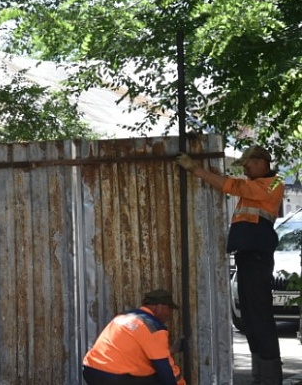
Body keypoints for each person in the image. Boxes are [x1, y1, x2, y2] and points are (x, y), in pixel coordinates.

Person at [176, 145, 284, 384]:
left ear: (262, 162)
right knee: (250, 316)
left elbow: (231, 185)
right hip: (248, 256)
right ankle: (262, 374)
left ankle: (270, 376)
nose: (245, 168)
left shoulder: (273, 183)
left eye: (248, 164)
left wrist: (195, 169)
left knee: (260, 316)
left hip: (257, 256)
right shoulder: (255, 184)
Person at [82, 289, 186, 385]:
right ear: (159, 307)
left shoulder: (125, 316)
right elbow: (164, 368)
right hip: (114, 376)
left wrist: (170, 350)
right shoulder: (153, 327)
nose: (169, 314)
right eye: (169, 309)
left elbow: (133, 350)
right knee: (158, 378)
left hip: (91, 369)